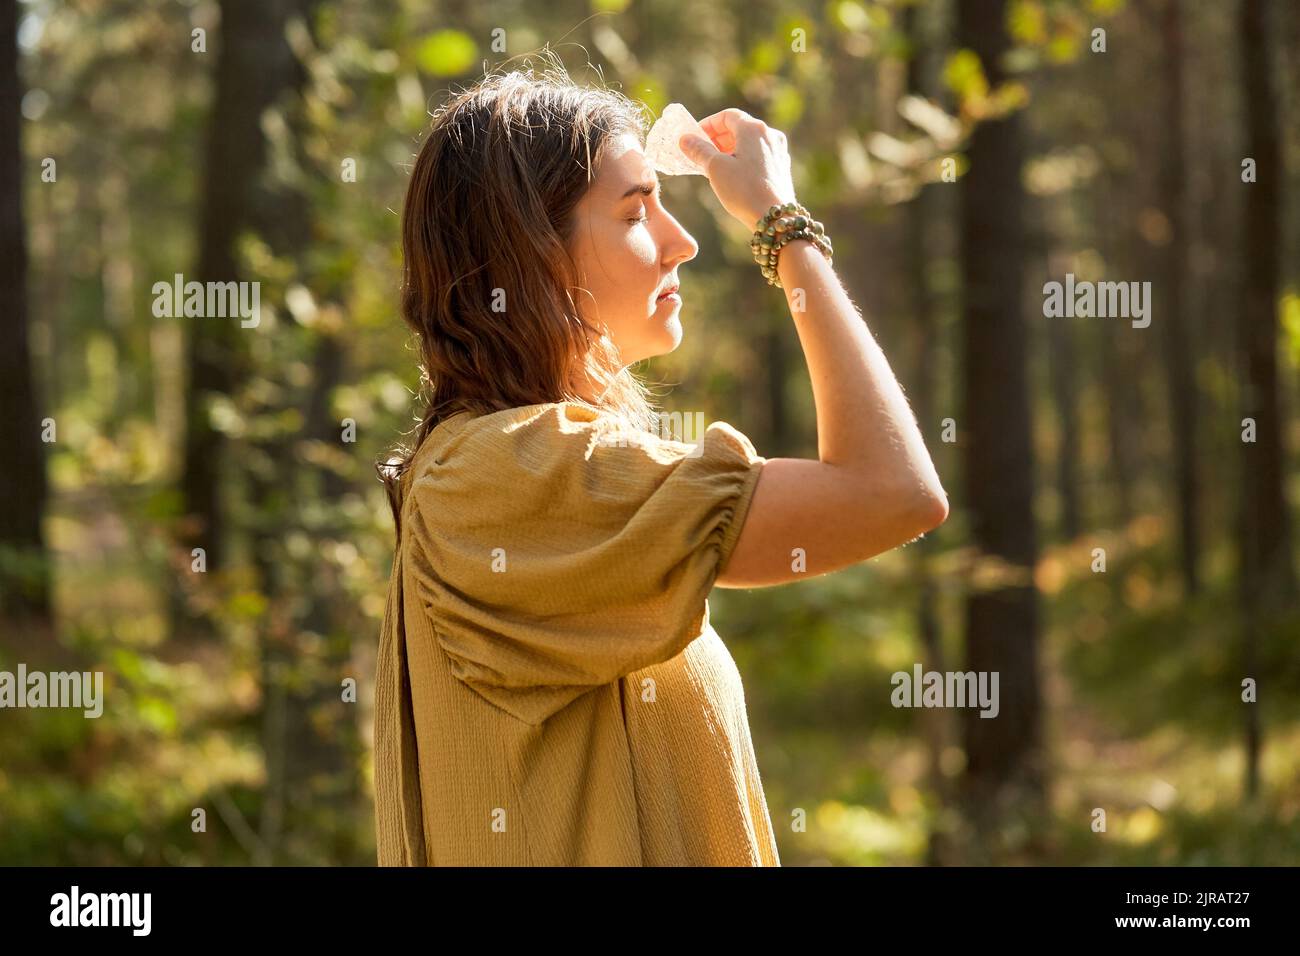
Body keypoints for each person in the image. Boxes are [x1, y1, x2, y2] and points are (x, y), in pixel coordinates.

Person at [373, 61, 948, 866]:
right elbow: (891, 493)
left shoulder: (513, 470)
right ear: (533, 254)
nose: (682, 241)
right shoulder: (503, 475)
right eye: (637, 212)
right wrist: (782, 226)